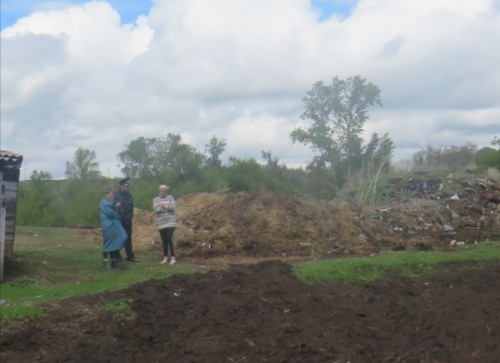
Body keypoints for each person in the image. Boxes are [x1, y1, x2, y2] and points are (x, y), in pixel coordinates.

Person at [99, 188, 127, 268]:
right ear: (107, 194)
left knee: (121, 237)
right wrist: (116, 207)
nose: (113, 196)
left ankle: (115, 258)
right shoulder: (104, 202)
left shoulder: (110, 201)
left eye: (114, 195)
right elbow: (110, 213)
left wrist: (116, 207)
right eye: (112, 194)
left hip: (114, 224)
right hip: (108, 225)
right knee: (110, 241)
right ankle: (111, 261)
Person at [153, 184, 177, 265]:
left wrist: (162, 206)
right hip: (161, 222)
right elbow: (156, 209)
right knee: (164, 240)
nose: (162, 192)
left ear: (167, 191)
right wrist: (167, 207)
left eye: (164, 191)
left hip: (170, 221)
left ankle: (173, 257)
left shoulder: (171, 198)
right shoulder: (155, 199)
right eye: (161, 191)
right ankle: (165, 257)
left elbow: (173, 208)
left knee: (169, 238)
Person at [115, 177, 136, 262]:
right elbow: (114, 208)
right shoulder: (116, 195)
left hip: (128, 220)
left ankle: (130, 256)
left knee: (128, 238)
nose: (126, 187)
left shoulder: (129, 195)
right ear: (121, 186)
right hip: (119, 220)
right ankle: (116, 255)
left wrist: (130, 216)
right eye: (124, 185)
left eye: (127, 186)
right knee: (119, 238)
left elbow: (131, 208)